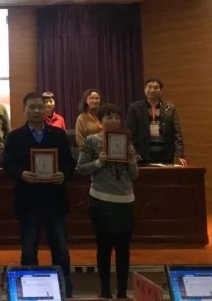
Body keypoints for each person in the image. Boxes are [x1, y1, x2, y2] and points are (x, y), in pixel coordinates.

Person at [3, 93, 75, 298]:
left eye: (39, 107)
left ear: (46, 110)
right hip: (28, 199)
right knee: (28, 250)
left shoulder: (58, 134)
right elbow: (7, 164)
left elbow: (69, 162)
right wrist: (21, 174)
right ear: (24, 110)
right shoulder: (15, 136)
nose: (36, 111)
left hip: (54, 199)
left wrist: (64, 174)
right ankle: (29, 292)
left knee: (60, 249)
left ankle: (64, 290)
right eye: (32, 107)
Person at [77, 103, 138, 300]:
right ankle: (105, 290)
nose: (114, 121)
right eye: (109, 117)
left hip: (125, 201)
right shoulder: (91, 141)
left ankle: (122, 291)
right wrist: (99, 162)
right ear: (100, 121)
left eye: (117, 117)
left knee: (123, 250)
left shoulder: (126, 141)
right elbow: (81, 168)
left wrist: (131, 160)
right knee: (104, 248)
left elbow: (134, 175)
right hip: (101, 200)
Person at [125, 78, 185, 165]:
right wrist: (133, 152)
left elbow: (177, 133)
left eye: (156, 87)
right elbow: (129, 132)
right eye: (149, 87)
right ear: (144, 89)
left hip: (165, 155)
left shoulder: (170, 108)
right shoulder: (135, 108)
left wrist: (179, 155)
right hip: (142, 155)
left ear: (161, 91)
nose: (152, 90)